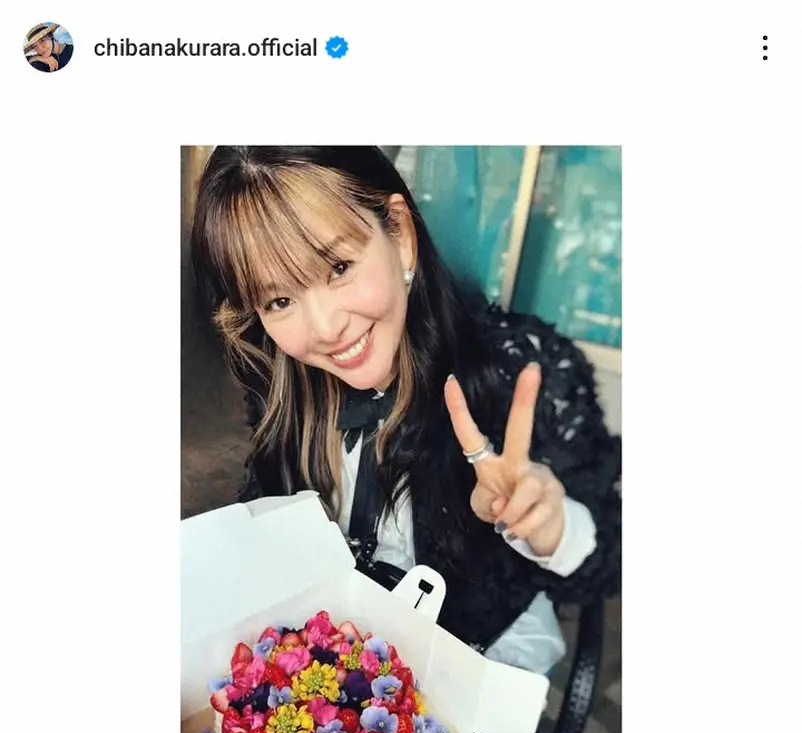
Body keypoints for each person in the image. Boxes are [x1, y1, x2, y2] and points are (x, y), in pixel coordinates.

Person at [190, 146, 620, 675]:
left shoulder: (514, 368)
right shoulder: (281, 380)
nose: (325, 328)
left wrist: (552, 526)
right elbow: (270, 509)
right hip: (340, 656)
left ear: (399, 234)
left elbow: (610, 562)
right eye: (279, 300)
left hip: (478, 658)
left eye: (338, 267)